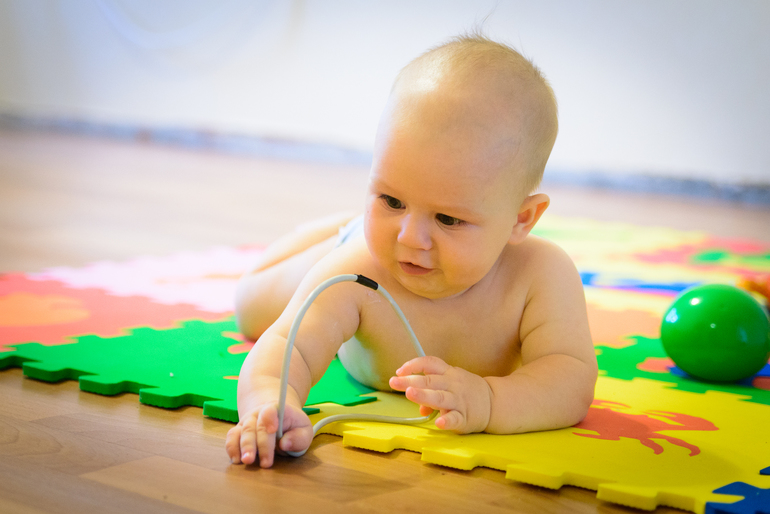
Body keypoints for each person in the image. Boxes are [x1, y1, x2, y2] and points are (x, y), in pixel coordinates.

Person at [225, 34, 597, 468]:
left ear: (521, 219)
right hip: (354, 244)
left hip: (370, 239)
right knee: (251, 308)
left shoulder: (540, 275)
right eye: (391, 199)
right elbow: (288, 346)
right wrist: (270, 403)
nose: (409, 238)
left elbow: (569, 378)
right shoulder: (358, 270)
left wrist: (490, 399)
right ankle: (338, 229)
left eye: (448, 219)